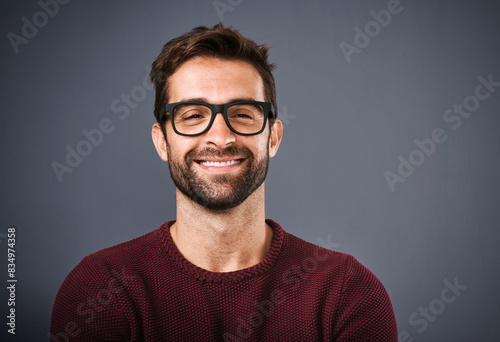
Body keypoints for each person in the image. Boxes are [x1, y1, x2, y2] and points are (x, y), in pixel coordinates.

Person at [50, 23, 398, 341]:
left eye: (243, 114)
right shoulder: (100, 288)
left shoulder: (347, 292)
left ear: (273, 137)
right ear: (161, 141)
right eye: (193, 115)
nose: (220, 136)